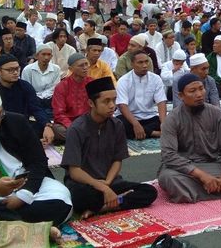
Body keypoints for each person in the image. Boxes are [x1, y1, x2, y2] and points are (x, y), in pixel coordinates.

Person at [0, 86, 72, 243]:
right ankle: (33, 228)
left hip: (20, 184)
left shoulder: (15, 121)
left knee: (61, 200)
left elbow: (38, 161)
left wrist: (23, 195)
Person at [61, 77, 157, 218]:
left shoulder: (117, 125)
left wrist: (107, 184)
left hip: (110, 181)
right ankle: (117, 201)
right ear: (91, 103)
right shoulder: (76, 129)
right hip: (85, 184)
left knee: (149, 192)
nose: (112, 105)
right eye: (106, 101)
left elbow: (117, 160)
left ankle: (103, 208)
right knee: (80, 198)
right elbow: (74, 171)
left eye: (114, 100)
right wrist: (101, 187)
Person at [158, 74, 221, 203]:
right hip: (187, 169)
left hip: (214, 164)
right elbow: (169, 155)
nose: (199, 94)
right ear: (181, 96)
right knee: (168, 178)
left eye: (201, 88)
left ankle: (197, 193)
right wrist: (202, 176)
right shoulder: (172, 119)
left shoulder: (217, 114)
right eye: (192, 91)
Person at [0, 54, 53, 143]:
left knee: (48, 129)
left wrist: (47, 125)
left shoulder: (25, 86)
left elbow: (36, 108)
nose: (15, 72)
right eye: (10, 70)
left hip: (23, 125)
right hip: (2, 127)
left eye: (17, 69)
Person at [115, 51, 167, 140]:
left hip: (149, 117)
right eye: (140, 62)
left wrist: (164, 124)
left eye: (146, 61)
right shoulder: (123, 80)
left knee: (170, 121)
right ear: (132, 64)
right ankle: (154, 133)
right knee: (118, 124)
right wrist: (135, 124)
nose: (145, 65)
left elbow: (161, 102)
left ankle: (143, 132)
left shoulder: (156, 79)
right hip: (129, 118)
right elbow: (122, 106)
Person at [52, 54, 93, 142]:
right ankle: (87, 138)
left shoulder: (92, 83)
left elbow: (97, 106)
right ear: (71, 69)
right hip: (69, 124)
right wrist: (73, 127)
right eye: (81, 65)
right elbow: (59, 114)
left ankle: (80, 138)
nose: (85, 67)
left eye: (86, 64)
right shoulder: (62, 86)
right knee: (57, 129)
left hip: (89, 121)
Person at [21, 44, 61, 118]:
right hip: (32, 100)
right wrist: (38, 97)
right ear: (36, 56)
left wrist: (43, 96)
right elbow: (26, 88)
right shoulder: (28, 69)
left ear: (51, 56)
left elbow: (55, 87)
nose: (46, 57)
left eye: (49, 55)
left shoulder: (56, 69)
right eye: (43, 54)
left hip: (50, 99)